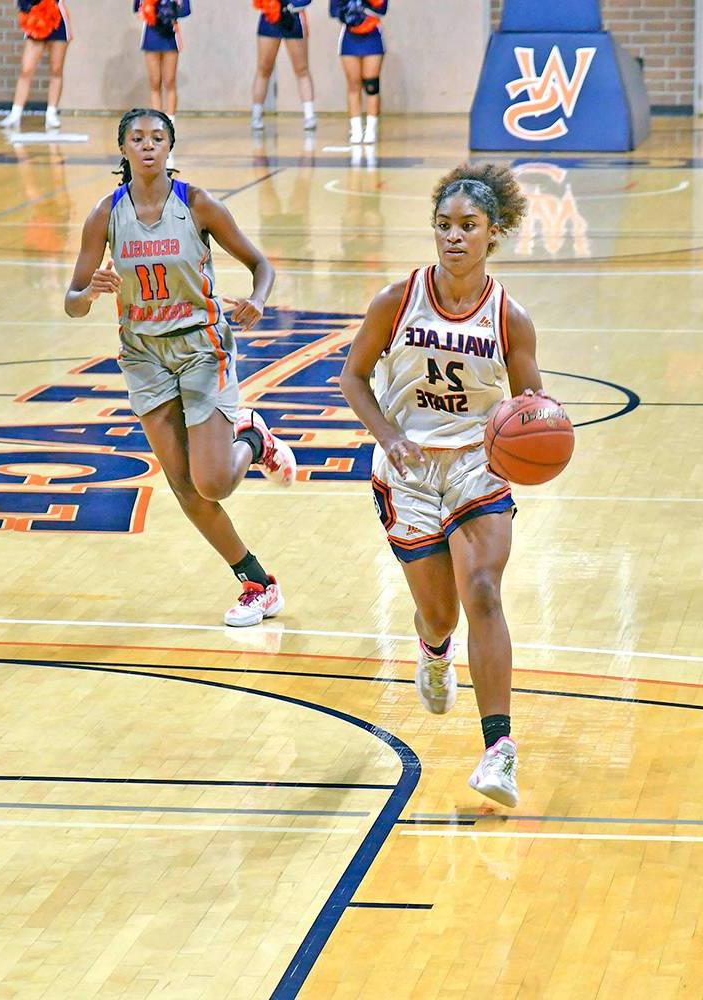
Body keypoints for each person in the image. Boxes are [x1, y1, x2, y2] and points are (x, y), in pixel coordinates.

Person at [340, 164, 543, 808]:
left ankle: (499, 752)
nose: (454, 237)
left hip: (479, 465)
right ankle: (433, 649)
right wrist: (388, 435)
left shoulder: (510, 316)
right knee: (440, 611)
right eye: (444, 226)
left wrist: (540, 428)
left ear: (493, 233)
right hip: (409, 468)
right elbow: (352, 377)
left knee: (482, 587)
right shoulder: (396, 300)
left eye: (468, 226)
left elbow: (530, 399)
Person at [64, 108, 297, 627]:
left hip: (200, 347)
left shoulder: (197, 204)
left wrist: (258, 300)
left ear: (170, 147)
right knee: (185, 489)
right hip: (143, 356)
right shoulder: (105, 214)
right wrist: (90, 291)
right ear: (122, 147)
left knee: (213, 483)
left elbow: (262, 264)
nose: (148, 145)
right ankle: (257, 583)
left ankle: (252, 439)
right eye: (137, 138)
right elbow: (71, 301)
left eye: (158, 137)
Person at [0, 0, 72, 131]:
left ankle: (51, 113)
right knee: (26, 69)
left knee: (56, 69)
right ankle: (16, 113)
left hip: (57, 18)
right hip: (36, 17)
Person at [251, 0, 316, 132]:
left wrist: (291, 7)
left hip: (294, 18)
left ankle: (309, 115)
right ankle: (256, 115)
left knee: (302, 69)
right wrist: (270, 5)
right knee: (263, 69)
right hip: (270, 17)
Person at [329, 0, 387, 144]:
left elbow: (383, 10)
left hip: (372, 36)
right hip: (350, 37)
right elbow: (333, 10)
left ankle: (371, 129)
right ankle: (356, 129)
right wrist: (347, 10)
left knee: (371, 86)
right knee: (353, 85)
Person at [133, 0, 191, 121]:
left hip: (170, 36)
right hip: (151, 35)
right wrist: (146, 11)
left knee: (169, 80)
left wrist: (172, 10)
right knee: (154, 81)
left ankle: (170, 121)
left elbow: (185, 9)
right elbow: (137, 7)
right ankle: (157, 122)